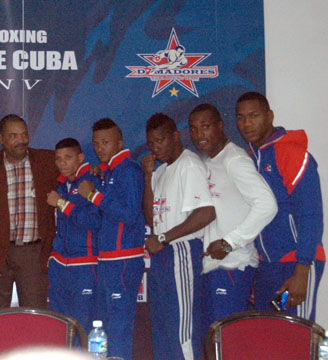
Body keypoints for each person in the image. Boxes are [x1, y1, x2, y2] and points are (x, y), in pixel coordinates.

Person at [236, 91, 324, 320]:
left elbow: (311, 213)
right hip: (268, 268)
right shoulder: (250, 158)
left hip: (296, 265)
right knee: (270, 331)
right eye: (241, 117)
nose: (247, 123)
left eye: (253, 115)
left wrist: (302, 270)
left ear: (269, 116)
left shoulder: (292, 153)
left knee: (296, 330)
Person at [188, 103, 277, 327]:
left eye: (205, 126)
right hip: (212, 267)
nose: (199, 134)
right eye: (194, 129)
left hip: (233, 266)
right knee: (214, 342)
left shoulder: (234, 160)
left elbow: (267, 205)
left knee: (225, 341)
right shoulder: (207, 162)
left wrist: (229, 243)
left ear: (220, 126)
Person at [142, 113, 214, 360]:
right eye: (151, 143)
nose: (155, 147)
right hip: (162, 254)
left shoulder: (189, 164)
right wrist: (148, 176)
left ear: (175, 136)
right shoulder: (161, 171)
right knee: (164, 329)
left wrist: (163, 239)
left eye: (160, 141)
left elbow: (206, 212)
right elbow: (151, 219)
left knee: (183, 332)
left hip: (180, 250)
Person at [76, 118, 145, 360]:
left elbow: (129, 213)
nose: (99, 148)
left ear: (120, 142)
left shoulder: (130, 170)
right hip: (107, 260)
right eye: (95, 143)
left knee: (119, 327)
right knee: (104, 326)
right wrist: (100, 176)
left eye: (105, 142)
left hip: (124, 259)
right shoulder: (110, 171)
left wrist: (93, 195)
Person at [0, 114, 56, 311]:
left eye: (24, 134)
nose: (21, 140)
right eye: (14, 136)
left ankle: (33, 345)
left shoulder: (48, 162)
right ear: (0, 138)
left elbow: (75, 171)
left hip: (34, 254)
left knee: (35, 316)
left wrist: (94, 170)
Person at [45, 138, 100, 334]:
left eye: (68, 157)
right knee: (60, 324)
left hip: (84, 263)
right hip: (60, 264)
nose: (63, 163)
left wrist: (62, 204)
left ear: (80, 158)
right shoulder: (61, 186)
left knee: (84, 323)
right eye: (58, 159)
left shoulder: (91, 181)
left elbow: (93, 223)